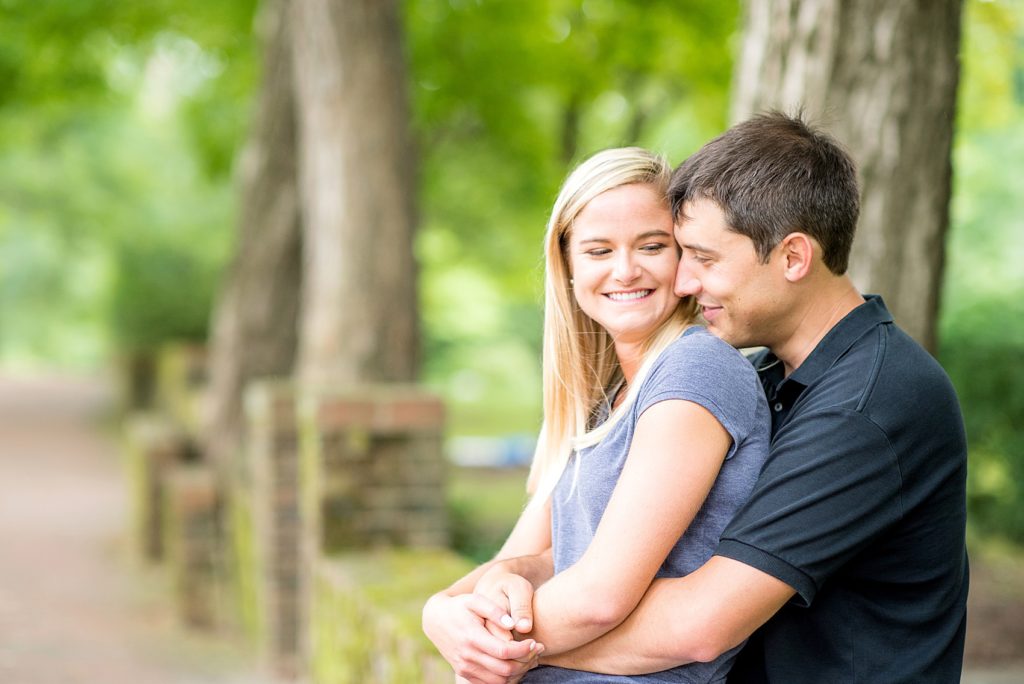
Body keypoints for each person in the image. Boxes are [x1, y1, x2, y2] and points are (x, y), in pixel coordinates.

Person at [429, 112, 970, 683]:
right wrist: (450, 610)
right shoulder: (774, 376)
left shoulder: (870, 404)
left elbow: (699, 625)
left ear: (792, 257)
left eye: (703, 259)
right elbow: (581, 557)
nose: (684, 281)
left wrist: (507, 645)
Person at [422, 146, 772, 682]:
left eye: (652, 246)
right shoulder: (596, 400)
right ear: (566, 265)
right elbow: (523, 558)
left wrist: (494, 640)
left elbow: (600, 599)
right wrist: (442, 612)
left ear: (683, 258)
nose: (626, 270)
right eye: (598, 250)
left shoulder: (696, 368)